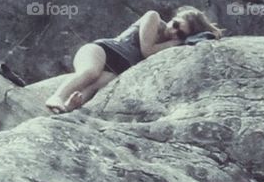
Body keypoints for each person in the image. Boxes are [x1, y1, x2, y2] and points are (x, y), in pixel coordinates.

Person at [44, 7, 224, 114]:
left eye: (181, 33)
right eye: (175, 25)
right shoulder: (154, 18)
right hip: (102, 51)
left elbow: (210, 37)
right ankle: (57, 96)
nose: (173, 31)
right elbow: (147, 51)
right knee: (91, 72)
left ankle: (67, 108)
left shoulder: (173, 42)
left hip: (116, 70)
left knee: (97, 86)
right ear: (172, 19)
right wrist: (177, 42)